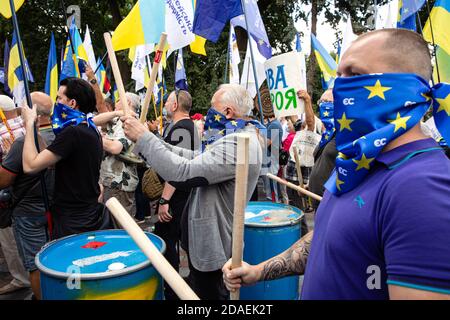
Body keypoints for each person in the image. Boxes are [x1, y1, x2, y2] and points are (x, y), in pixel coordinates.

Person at [222, 28, 450, 299]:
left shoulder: (420, 184)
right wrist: (259, 271)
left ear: (404, 87)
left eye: (353, 75)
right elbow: (328, 236)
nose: (339, 88)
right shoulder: (357, 163)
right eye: (338, 75)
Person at [122, 84, 263, 300]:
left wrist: (144, 139)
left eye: (212, 108)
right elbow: (194, 157)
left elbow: (183, 172)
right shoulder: (234, 134)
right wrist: (152, 139)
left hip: (216, 251)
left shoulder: (240, 142)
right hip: (208, 243)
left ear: (228, 111)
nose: (207, 114)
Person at [21, 78, 106, 239]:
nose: (57, 103)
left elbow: (30, 166)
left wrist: (29, 123)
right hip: (87, 212)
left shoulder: (73, 132)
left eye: (59, 98)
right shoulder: (90, 128)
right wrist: (36, 131)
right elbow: (54, 160)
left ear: (72, 103)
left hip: (72, 219)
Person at [0, 92, 54, 299]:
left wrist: (6, 160)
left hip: (28, 213)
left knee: (35, 264)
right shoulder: (58, 135)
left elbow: (4, 180)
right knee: (52, 258)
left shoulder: (23, 143)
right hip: (52, 208)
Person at [154, 89, 198, 300]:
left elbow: (176, 169)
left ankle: (172, 289)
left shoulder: (182, 129)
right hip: (183, 195)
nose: (165, 105)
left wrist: (164, 200)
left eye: (168, 101)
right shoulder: (188, 127)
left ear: (174, 106)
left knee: (167, 242)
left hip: (176, 197)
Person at [0, 95, 30, 295]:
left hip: (9, 192)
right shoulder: (28, 124)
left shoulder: (3, 132)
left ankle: (21, 277)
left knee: (9, 237)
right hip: (32, 191)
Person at [94, 92, 140, 217]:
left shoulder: (130, 122)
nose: (116, 103)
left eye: (119, 100)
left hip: (119, 184)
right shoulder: (118, 119)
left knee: (119, 227)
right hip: (111, 181)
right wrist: (116, 113)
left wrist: (96, 137)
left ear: (128, 103)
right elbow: (92, 122)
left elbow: (116, 148)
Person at [308, 89, 338, 210]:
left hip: (330, 203)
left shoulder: (344, 134)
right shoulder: (327, 134)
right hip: (317, 200)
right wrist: (309, 184)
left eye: (328, 101)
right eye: (321, 101)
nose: (323, 105)